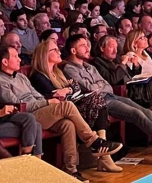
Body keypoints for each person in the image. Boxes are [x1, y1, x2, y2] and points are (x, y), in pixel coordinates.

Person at [0, 45, 121, 179]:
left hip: (40, 111)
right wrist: (47, 103)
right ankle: (93, 141)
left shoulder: (21, 77)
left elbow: (37, 95)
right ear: (5, 62)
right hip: (26, 117)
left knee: (68, 124)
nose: (19, 59)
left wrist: (45, 103)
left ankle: (71, 170)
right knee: (67, 106)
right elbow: (20, 107)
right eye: (15, 57)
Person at [61, 35, 152, 155]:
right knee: (136, 114)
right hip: (100, 102)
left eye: (87, 44)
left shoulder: (89, 66)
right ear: (73, 50)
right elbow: (90, 88)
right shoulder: (70, 68)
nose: (87, 47)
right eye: (83, 45)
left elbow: (107, 85)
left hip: (111, 95)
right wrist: (100, 85)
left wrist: (100, 86)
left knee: (147, 112)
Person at [28, 40, 123, 174]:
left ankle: (71, 169)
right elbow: (56, 97)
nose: (59, 51)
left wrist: (68, 90)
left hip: (68, 111)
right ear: (44, 54)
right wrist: (69, 90)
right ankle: (95, 143)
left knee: (93, 104)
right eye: (54, 50)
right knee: (75, 105)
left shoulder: (59, 72)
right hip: (52, 111)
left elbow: (76, 87)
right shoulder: (38, 76)